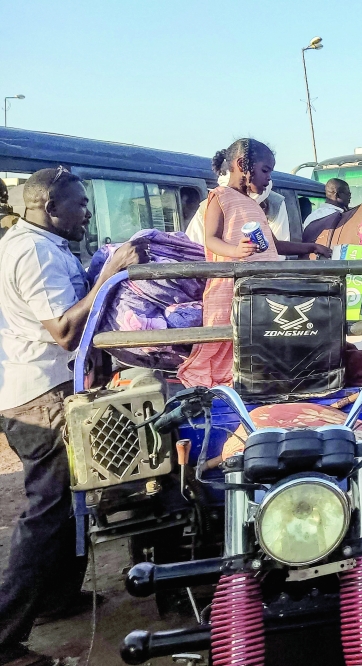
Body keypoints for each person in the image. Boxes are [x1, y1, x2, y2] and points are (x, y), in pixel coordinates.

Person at [0, 167, 148, 666]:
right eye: (79, 204)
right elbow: (64, 331)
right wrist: (111, 274)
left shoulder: (44, 244)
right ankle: (5, 636)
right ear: (48, 207)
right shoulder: (34, 251)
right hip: (40, 396)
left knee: (66, 502)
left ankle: (57, 599)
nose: (86, 212)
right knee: (46, 512)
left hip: (42, 388)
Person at [177, 139, 330, 388]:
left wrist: (310, 247)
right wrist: (236, 251)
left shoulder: (252, 203)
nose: (269, 178)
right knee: (223, 342)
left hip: (258, 287)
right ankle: (218, 387)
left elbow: (272, 244)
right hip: (229, 287)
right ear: (242, 165)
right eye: (265, 170)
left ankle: (250, 383)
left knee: (254, 337)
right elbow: (211, 239)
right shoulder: (219, 197)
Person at [184, 155, 292, 250]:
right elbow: (196, 248)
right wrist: (235, 251)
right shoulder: (210, 206)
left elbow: (276, 247)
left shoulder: (274, 205)